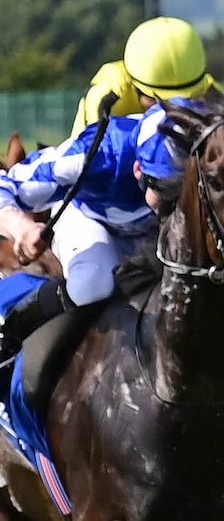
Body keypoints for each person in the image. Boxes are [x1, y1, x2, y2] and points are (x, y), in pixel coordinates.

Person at [0, 103, 188, 358]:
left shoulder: (208, 147)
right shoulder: (98, 152)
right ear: (138, 169)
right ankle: (12, 330)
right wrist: (22, 228)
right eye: (165, 188)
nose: (173, 196)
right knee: (93, 282)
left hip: (153, 228)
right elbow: (8, 185)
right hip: (90, 217)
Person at [71, 16, 220, 136]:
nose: (171, 109)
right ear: (135, 86)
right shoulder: (107, 97)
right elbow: (93, 158)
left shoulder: (212, 93)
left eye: (186, 100)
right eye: (158, 100)